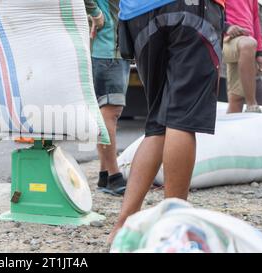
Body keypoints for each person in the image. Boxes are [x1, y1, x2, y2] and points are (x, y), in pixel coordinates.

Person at [108, 0, 225, 242]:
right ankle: (175, 228)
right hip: (191, 9)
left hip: (138, 14)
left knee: (158, 124)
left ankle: (123, 227)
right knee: (181, 119)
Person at [84, 0, 131, 196]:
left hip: (112, 50)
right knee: (110, 113)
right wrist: (95, 13)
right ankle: (114, 176)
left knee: (106, 112)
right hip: (109, 50)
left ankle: (104, 173)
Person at [224, 0, 262, 113]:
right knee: (248, 44)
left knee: (236, 99)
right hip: (225, 38)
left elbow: (255, 19)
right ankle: (252, 104)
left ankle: (230, 130)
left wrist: (259, 53)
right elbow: (211, 9)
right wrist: (225, 27)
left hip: (246, 45)